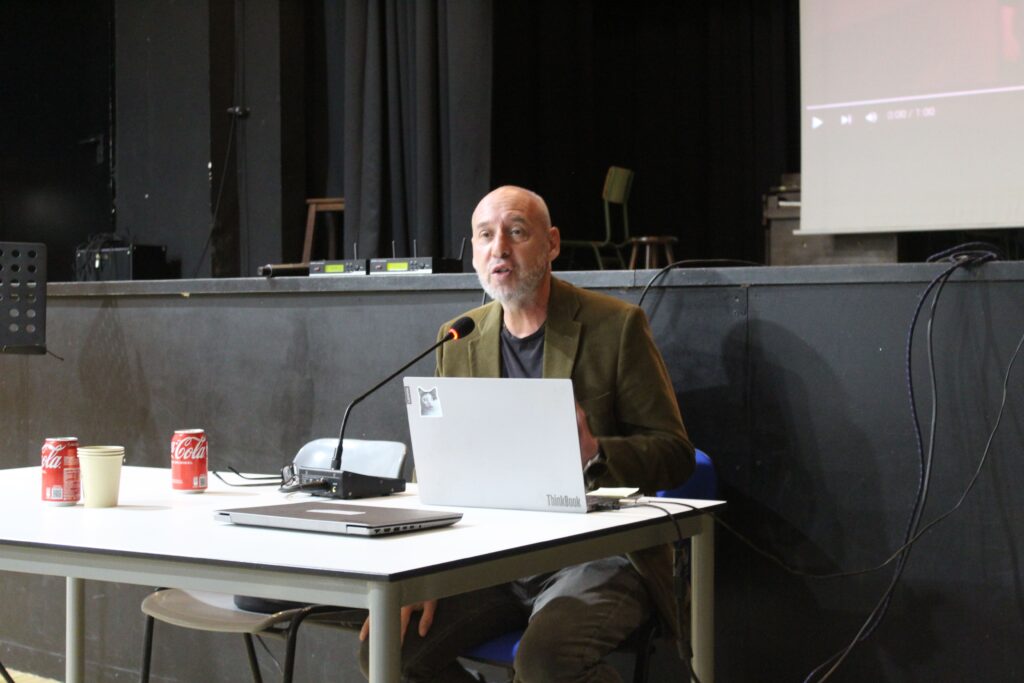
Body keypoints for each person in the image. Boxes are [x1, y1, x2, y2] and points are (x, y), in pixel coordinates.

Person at [359, 185, 694, 682]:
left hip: (596, 556)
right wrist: (420, 571)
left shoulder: (616, 326)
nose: (499, 248)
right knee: (388, 650)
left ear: (552, 243)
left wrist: (595, 453)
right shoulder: (458, 336)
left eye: (516, 232)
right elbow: (437, 469)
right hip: (489, 556)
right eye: (485, 236)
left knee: (544, 662)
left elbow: (675, 454)